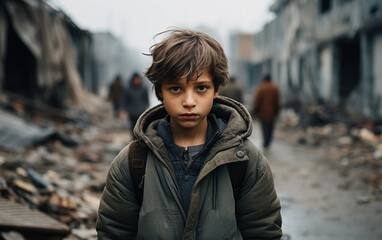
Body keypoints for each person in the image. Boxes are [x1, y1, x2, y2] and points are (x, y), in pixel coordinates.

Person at [96, 28, 282, 239]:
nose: (189, 102)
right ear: (159, 92)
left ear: (216, 90)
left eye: (201, 88)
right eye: (176, 89)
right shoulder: (132, 163)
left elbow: (264, 231)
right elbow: (113, 232)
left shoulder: (246, 161)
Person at [252, 74, 280, 149]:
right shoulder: (275, 88)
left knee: (264, 128)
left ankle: (265, 142)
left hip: (263, 112)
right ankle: (268, 142)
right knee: (270, 127)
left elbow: (257, 101)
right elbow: (277, 101)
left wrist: (255, 111)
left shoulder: (261, 88)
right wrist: (277, 111)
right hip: (272, 112)